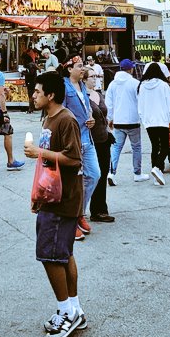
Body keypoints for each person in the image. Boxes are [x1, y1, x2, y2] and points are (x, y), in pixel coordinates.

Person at [23, 71, 86, 337]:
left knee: (50, 255)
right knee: (62, 253)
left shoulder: (65, 119)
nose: (33, 96)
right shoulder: (48, 117)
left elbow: (74, 158)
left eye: (37, 92)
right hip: (50, 195)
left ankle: (65, 311)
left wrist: (40, 152)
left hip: (64, 199)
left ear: (50, 95)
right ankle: (74, 308)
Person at [62, 57, 100, 240]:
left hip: (87, 137)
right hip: (72, 140)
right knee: (73, 182)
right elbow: (60, 113)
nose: (82, 69)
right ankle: (71, 220)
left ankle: (79, 213)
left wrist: (91, 117)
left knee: (94, 175)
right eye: (79, 66)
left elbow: (86, 108)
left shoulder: (82, 87)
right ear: (69, 69)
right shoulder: (63, 87)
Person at [105, 59, 149, 184]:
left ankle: (111, 173)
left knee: (116, 148)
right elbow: (141, 102)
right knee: (136, 147)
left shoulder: (112, 84)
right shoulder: (135, 83)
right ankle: (137, 173)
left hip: (118, 121)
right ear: (130, 69)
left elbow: (109, 104)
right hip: (133, 121)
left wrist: (110, 118)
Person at [137, 62, 170, 185]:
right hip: (162, 120)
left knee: (155, 146)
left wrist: (143, 120)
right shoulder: (164, 85)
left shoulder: (142, 86)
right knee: (165, 146)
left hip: (149, 121)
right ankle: (157, 168)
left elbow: (140, 106)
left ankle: (156, 176)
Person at [85, 65, 114, 223]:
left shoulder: (97, 94)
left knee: (102, 174)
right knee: (93, 175)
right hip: (91, 141)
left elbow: (103, 113)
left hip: (104, 139)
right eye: (92, 77)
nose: (95, 79)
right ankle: (90, 209)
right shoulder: (82, 96)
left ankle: (99, 209)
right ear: (84, 80)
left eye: (96, 76)